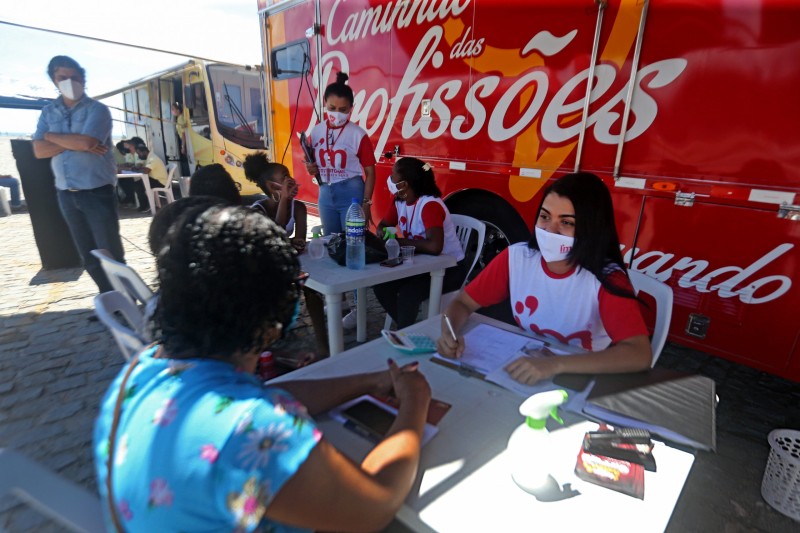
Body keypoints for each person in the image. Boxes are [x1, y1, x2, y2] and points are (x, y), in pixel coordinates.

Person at [93, 206, 431, 532]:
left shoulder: (142, 368)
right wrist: (415, 403)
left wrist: (370, 381)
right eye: (296, 285)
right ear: (271, 317)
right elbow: (376, 507)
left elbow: (271, 395)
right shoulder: (251, 429)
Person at [436, 172, 652, 385]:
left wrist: (555, 365)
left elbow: (639, 353)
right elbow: (463, 302)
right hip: (521, 371)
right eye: (545, 216)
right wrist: (450, 333)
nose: (550, 230)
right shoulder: (517, 258)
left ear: (591, 228)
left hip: (575, 380)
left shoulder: (607, 279)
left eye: (566, 222)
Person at [32, 55, 126, 293]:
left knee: (111, 253)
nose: (69, 82)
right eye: (62, 78)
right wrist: (73, 142)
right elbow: (38, 150)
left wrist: (52, 136)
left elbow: (87, 142)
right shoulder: (48, 112)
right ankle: (109, 298)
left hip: (97, 192)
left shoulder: (98, 110)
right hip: (66, 194)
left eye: (74, 77)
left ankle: (127, 301)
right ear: (54, 80)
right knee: (89, 255)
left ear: (83, 79)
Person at [374, 157, 466, 329]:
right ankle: (409, 328)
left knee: (409, 294)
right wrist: (382, 232)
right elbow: (384, 224)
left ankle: (406, 331)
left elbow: (435, 247)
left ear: (404, 184)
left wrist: (399, 242)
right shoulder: (400, 201)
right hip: (421, 265)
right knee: (381, 285)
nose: (390, 179)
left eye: (393, 176)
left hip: (449, 269)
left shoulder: (429, 205)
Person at [303, 71, 376, 233]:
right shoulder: (316, 131)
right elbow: (311, 162)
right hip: (325, 193)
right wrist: (310, 168)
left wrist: (366, 203)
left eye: (343, 110)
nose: (337, 113)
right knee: (332, 243)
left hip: (352, 193)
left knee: (353, 242)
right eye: (332, 108)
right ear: (325, 104)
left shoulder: (358, 134)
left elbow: (370, 172)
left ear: (351, 108)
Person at [244, 152, 307, 252]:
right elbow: (276, 236)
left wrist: (294, 243)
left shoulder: (299, 208)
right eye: (285, 177)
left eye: (289, 175)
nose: (291, 180)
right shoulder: (257, 211)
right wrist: (283, 198)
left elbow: (299, 243)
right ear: (272, 187)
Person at [131, 142, 169, 213]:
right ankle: (145, 205)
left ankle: (144, 206)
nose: (139, 156)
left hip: (160, 182)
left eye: (139, 153)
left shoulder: (153, 159)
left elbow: (146, 171)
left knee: (138, 186)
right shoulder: (150, 157)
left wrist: (138, 168)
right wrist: (138, 167)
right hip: (155, 179)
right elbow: (144, 167)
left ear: (145, 152)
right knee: (138, 184)